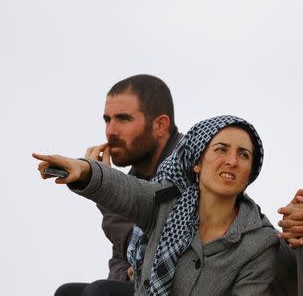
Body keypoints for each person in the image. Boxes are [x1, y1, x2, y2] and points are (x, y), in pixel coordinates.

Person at [34, 115, 279, 296]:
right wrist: (86, 171)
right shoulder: (167, 201)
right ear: (197, 162)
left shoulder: (259, 241)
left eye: (244, 155)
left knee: (99, 292)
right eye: (221, 150)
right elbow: (125, 189)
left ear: (250, 173)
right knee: (68, 293)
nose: (232, 161)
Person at [55, 74, 183, 295]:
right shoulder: (137, 175)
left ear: (160, 125)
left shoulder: (187, 170)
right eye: (107, 119)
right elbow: (119, 263)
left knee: (99, 292)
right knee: (67, 293)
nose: (110, 131)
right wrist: (129, 273)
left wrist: (104, 190)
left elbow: (155, 244)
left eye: (123, 119)